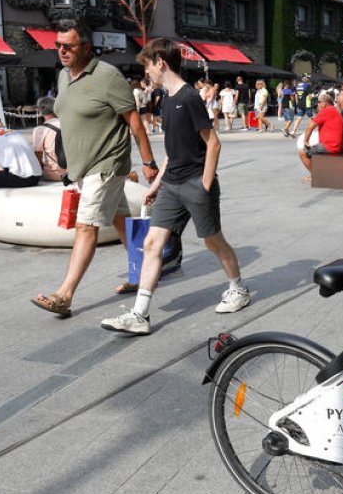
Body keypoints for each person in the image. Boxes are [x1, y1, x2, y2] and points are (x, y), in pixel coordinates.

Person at [100, 39, 251, 334]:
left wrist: (205, 185)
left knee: (212, 241)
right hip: (171, 185)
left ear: (161, 62)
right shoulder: (167, 99)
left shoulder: (189, 97)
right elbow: (171, 151)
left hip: (195, 183)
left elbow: (213, 144)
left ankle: (238, 288)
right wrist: (157, 183)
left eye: (147, 65)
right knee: (151, 244)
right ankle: (140, 315)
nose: (146, 72)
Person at [31, 22, 159, 316]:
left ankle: (64, 295)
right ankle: (145, 272)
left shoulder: (107, 76)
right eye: (58, 45)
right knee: (120, 218)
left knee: (85, 226)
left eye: (68, 46)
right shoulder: (64, 76)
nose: (61, 51)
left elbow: (135, 122)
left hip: (106, 164)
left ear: (86, 48)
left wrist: (148, 163)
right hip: (82, 167)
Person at [298, 92, 343, 182]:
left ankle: (315, 176)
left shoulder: (326, 111)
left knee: (302, 153)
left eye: (319, 102)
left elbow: (310, 125)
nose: (318, 105)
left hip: (331, 146)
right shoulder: (334, 110)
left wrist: (306, 141)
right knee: (316, 147)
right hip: (339, 145)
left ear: (324, 103)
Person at [32, 96, 66, 182]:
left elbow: (38, 155)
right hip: (73, 172)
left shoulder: (40, 130)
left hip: (54, 175)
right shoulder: (67, 124)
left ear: (40, 111)